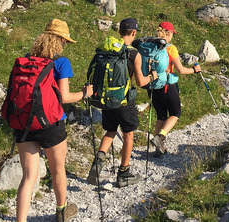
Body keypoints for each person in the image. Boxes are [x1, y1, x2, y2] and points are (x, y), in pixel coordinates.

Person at [15, 19, 92, 222]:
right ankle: (61, 212)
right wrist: (85, 93)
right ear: (59, 40)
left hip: (24, 123)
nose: (65, 44)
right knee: (58, 170)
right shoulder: (61, 62)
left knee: (29, 176)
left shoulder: (26, 59)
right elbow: (65, 98)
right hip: (51, 123)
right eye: (65, 41)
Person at [86, 17, 152, 187]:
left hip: (106, 99)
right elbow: (140, 82)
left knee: (110, 131)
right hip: (123, 101)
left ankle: (99, 160)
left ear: (120, 31)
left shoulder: (108, 49)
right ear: (134, 33)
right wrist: (152, 76)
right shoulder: (133, 54)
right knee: (128, 134)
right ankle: (124, 173)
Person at [148, 21, 202, 156]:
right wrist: (194, 70)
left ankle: (158, 149)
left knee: (161, 115)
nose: (172, 36)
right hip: (166, 85)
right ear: (168, 33)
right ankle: (160, 137)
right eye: (172, 33)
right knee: (175, 113)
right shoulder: (170, 48)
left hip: (152, 86)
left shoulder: (149, 45)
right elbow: (181, 70)